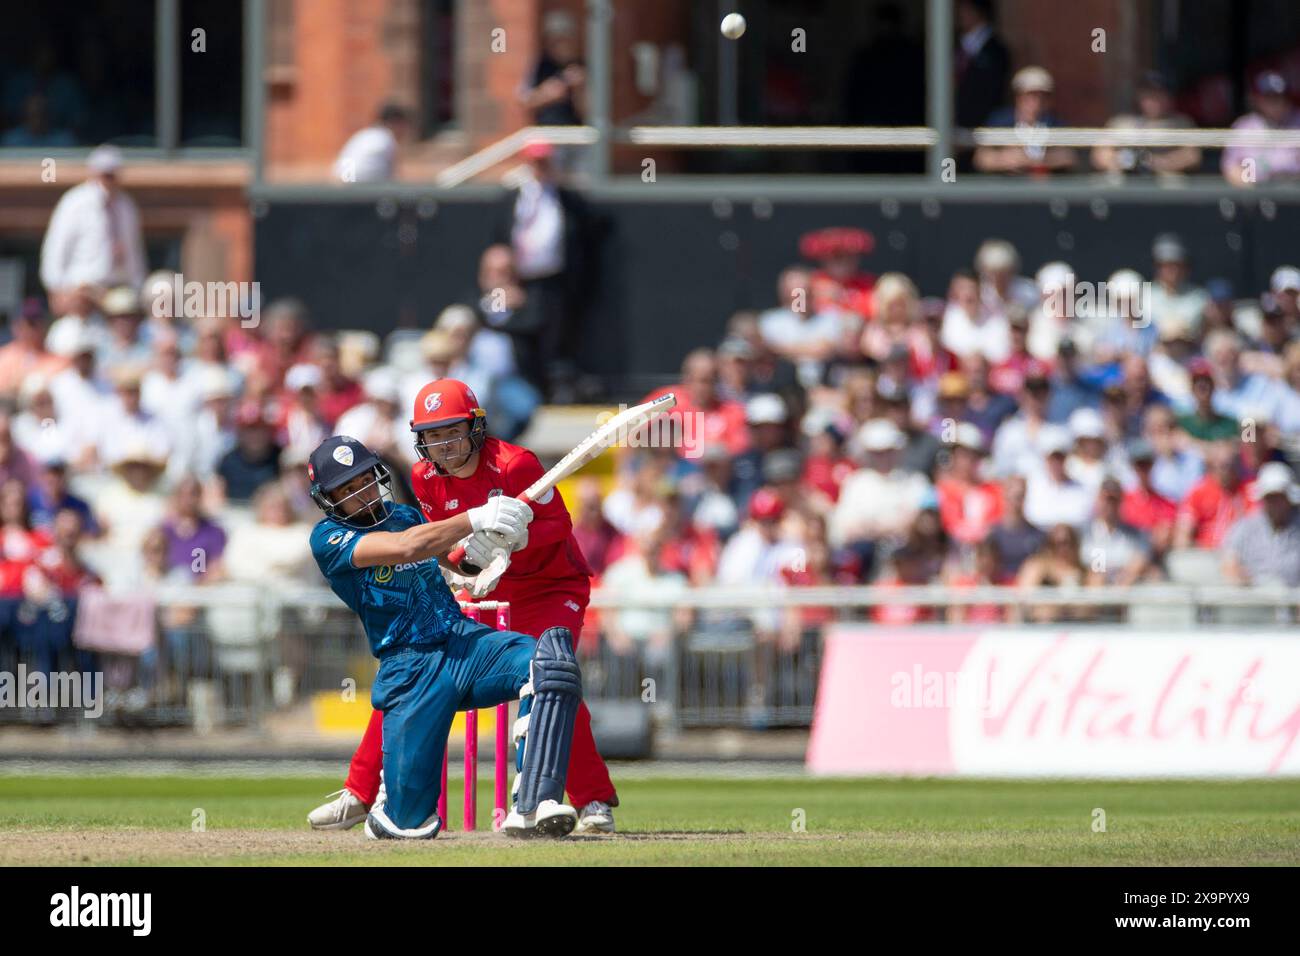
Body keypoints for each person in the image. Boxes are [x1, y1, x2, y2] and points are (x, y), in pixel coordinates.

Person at [310, 379, 617, 835]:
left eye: (451, 431)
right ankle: (362, 791)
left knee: (553, 669)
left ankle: (559, 799)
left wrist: (511, 542)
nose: (443, 445)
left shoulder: (514, 464)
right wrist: (474, 540)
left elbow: (555, 526)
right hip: (428, 639)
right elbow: (420, 545)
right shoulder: (373, 510)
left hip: (547, 585)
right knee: (407, 682)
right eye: (432, 436)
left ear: (474, 426)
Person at [39, 145, 147, 318]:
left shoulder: (126, 206)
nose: (109, 180)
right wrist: (56, 289)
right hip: (82, 291)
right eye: (105, 175)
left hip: (117, 291)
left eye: (112, 175)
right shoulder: (75, 202)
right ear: (93, 173)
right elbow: (56, 248)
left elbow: (134, 251)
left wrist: (137, 286)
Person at [1092, 71, 1200, 178]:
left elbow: (1192, 156)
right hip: (1126, 182)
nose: (1153, 101)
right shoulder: (1121, 121)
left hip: (1164, 182)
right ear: (1139, 97)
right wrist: (1123, 161)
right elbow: (1099, 156)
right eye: (1148, 96)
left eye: (1159, 95)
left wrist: (1158, 162)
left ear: (1169, 97)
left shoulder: (1181, 122)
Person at [974, 66, 1076, 176]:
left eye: (1043, 96)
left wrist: (1039, 161)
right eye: (1030, 96)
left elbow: (1069, 157)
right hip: (1006, 185)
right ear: (1018, 97)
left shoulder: (1053, 123)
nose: (1036, 102)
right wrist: (1003, 159)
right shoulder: (1001, 121)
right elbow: (980, 158)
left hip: (1043, 187)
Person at [1222, 462, 1300, 585]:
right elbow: (1229, 563)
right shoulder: (1245, 527)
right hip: (1254, 599)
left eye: (1279, 497)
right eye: (1270, 498)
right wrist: (1241, 579)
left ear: (1288, 498)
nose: (1275, 504)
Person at [1222, 71, 1300, 186]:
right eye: (1269, 97)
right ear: (1257, 99)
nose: (1276, 102)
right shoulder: (1244, 126)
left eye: (1279, 97)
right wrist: (1250, 191)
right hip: (1257, 192)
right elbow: (1231, 167)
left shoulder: (1297, 120)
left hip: (1295, 190)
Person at [333, 102, 411, 183]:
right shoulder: (387, 138)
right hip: (360, 186)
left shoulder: (365, 134)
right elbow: (395, 176)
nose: (405, 130)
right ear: (395, 122)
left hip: (341, 181)